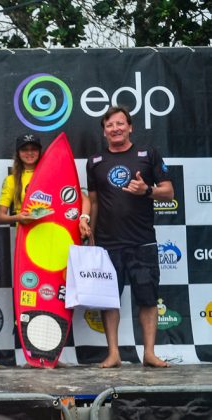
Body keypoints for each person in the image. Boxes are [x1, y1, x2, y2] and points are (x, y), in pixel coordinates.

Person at [86, 105, 174, 368]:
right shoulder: (95, 162)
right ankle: (113, 353)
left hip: (142, 241)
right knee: (109, 300)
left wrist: (146, 190)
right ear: (104, 132)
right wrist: (90, 235)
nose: (115, 129)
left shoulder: (148, 155)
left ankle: (149, 352)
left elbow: (168, 192)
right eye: (109, 125)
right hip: (107, 243)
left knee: (147, 299)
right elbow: (94, 201)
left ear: (130, 127)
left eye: (120, 124)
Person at [0, 134, 91, 240]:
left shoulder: (54, 174)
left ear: (40, 151)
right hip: (27, 239)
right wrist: (17, 218)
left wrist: (83, 219)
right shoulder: (11, 180)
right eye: (24, 149)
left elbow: (85, 199)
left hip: (54, 235)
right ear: (18, 153)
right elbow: (0, 218)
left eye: (34, 149)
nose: (29, 153)